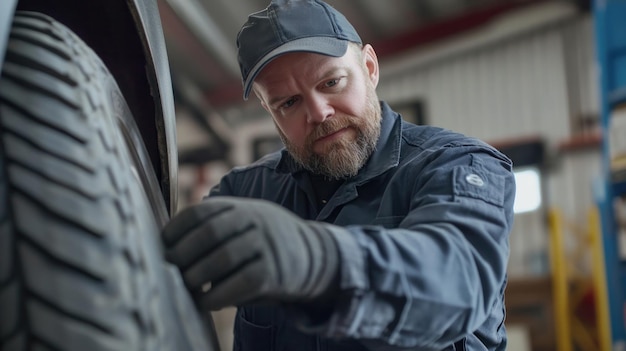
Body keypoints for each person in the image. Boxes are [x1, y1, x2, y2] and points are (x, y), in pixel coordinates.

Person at [162, 0, 516, 350]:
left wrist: (315, 261)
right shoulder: (244, 192)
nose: (318, 112)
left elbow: (459, 282)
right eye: (289, 103)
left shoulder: (458, 165)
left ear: (370, 67)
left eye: (332, 82)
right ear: (269, 111)